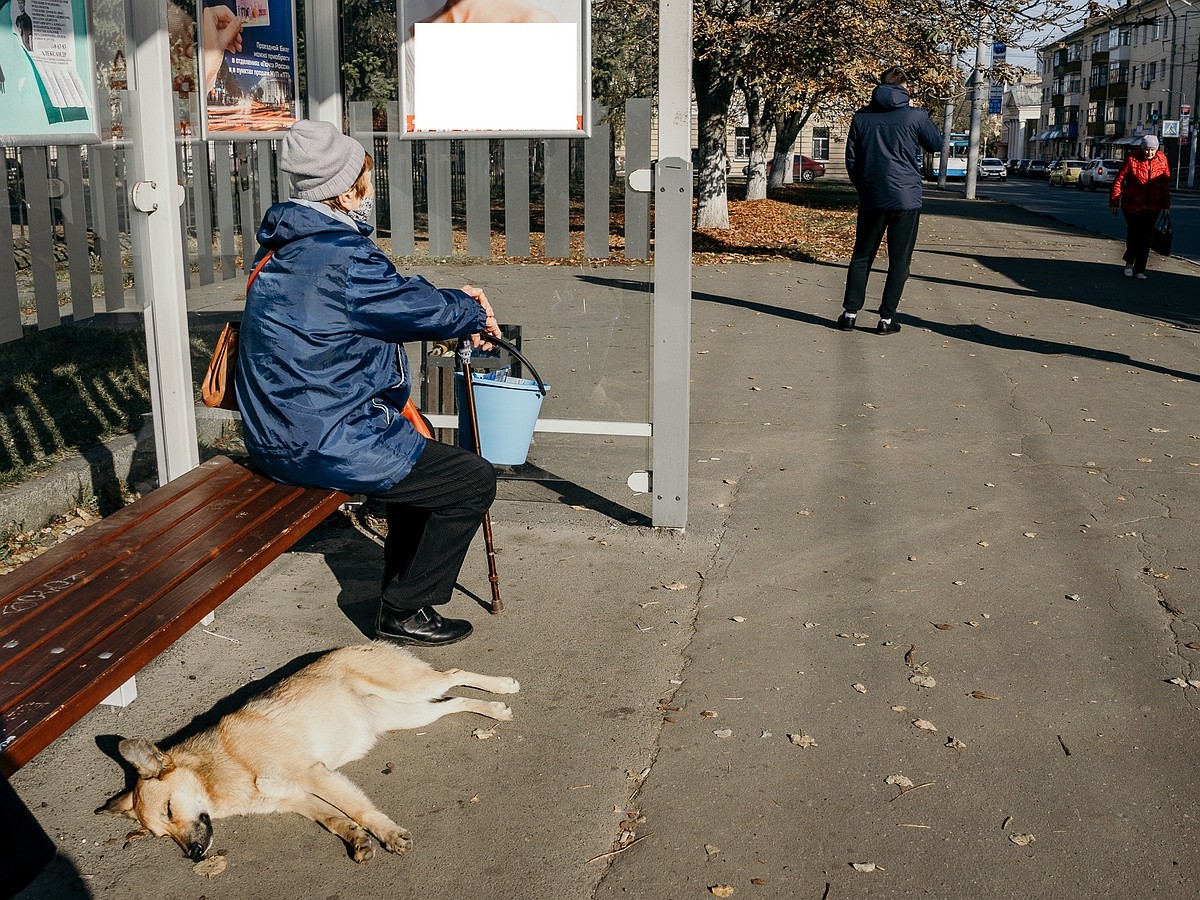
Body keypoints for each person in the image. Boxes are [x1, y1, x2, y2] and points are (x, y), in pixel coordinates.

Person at [234, 120, 503, 647]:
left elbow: (391, 298)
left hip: (276, 434)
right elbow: (416, 309)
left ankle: (403, 598)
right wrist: (469, 310)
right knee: (471, 480)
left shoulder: (283, 249)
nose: (369, 188)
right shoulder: (343, 255)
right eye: (366, 178)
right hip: (324, 440)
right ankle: (404, 610)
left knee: (421, 463)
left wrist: (451, 303)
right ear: (346, 189)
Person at [839, 66, 943, 335]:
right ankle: (886, 320)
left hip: (872, 196)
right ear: (905, 87)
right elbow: (936, 144)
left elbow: (852, 159)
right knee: (899, 262)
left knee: (862, 256)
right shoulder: (916, 116)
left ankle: (849, 314)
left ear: (880, 85)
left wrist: (863, 187)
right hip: (905, 198)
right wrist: (921, 114)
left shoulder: (861, 117)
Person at [1109, 134, 1170, 280]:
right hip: (1132, 206)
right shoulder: (1132, 159)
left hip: (1153, 207)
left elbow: (1165, 185)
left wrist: (1166, 205)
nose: (1149, 153)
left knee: (1146, 238)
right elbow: (1119, 181)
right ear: (1142, 148)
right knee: (1135, 235)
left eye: (1152, 150)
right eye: (1146, 150)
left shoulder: (1162, 160)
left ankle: (1140, 269)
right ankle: (1129, 263)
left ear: (1156, 149)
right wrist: (1114, 202)